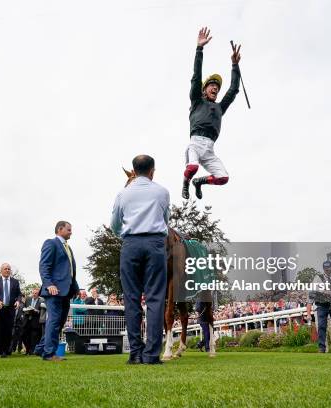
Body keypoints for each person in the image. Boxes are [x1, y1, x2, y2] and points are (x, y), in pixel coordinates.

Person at [111, 154, 170, 365]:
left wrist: (127, 235)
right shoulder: (162, 192)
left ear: (133, 171)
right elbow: (166, 220)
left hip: (131, 245)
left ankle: (135, 353)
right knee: (155, 299)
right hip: (155, 244)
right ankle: (152, 354)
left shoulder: (123, 194)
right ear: (153, 171)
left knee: (131, 298)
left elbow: (114, 224)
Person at [182, 27, 242, 200]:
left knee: (223, 178)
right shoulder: (196, 100)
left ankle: (198, 183)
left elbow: (233, 89)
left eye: (217, 86)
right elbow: (196, 75)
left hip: (209, 149)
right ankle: (186, 182)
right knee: (192, 168)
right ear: (204, 89)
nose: (215, 87)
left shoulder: (220, 107)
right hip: (195, 143)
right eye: (211, 85)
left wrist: (235, 65)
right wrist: (199, 49)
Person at [36, 221, 80, 361]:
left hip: (66, 292)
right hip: (54, 290)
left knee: (59, 323)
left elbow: (70, 271)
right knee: (54, 321)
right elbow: (44, 265)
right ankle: (49, 354)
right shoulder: (51, 243)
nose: (71, 232)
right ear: (60, 229)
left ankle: (40, 349)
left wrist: (76, 288)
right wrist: (49, 284)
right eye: (68, 229)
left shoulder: (68, 248)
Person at [306, 260, 331, 353]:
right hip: (322, 305)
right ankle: (322, 348)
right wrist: (325, 291)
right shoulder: (318, 278)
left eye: (329, 268)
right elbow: (313, 291)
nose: (328, 270)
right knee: (322, 326)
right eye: (326, 268)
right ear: (323, 269)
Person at [22, 287, 43, 355]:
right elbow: (24, 307)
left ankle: (32, 351)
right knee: (24, 335)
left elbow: (42, 312)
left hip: (36, 321)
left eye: (36, 293)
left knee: (34, 337)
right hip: (27, 320)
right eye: (33, 293)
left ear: (38, 294)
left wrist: (36, 311)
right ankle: (27, 349)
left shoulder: (41, 300)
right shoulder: (28, 299)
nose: (34, 294)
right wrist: (26, 310)